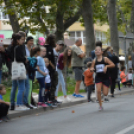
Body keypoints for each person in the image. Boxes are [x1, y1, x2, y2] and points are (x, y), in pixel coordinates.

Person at [91, 45, 115, 110]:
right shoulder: (94, 60)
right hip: (98, 77)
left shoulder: (105, 59)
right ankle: (100, 105)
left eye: (99, 50)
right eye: (96, 50)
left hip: (105, 77)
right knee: (98, 91)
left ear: (101, 52)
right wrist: (92, 69)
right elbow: (92, 67)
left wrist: (106, 66)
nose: (97, 51)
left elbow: (113, 64)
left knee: (105, 93)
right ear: (95, 52)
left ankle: (105, 89)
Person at [44, 34, 58, 107]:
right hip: (50, 69)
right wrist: (52, 66)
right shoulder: (48, 48)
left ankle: (51, 98)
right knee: (52, 84)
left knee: (53, 83)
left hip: (49, 69)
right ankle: (51, 98)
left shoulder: (46, 47)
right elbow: (48, 58)